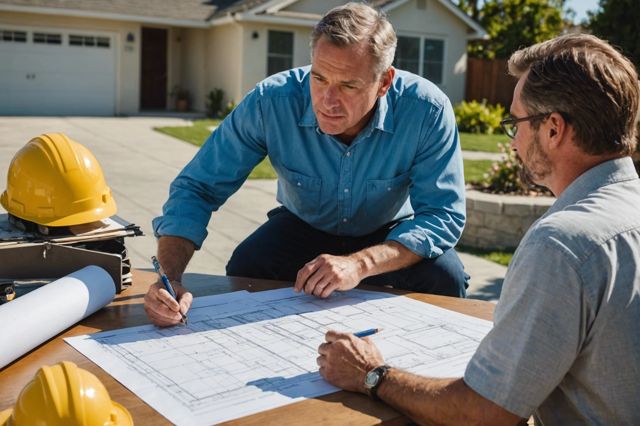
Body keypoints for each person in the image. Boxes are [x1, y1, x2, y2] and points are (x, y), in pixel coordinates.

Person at [317, 33, 640, 425]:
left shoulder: (563, 244)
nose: (514, 141)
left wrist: (371, 375)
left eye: (515, 123)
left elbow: (485, 415)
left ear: (554, 129)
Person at [144, 2, 468, 327]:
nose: (327, 101)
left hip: (389, 232)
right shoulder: (270, 103)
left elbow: (442, 215)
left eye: (348, 86)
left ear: (384, 82)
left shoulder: (427, 110)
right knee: (248, 264)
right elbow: (198, 187)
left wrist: (360, 264)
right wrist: (169, 278)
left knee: (446, 277)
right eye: (319, 78)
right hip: (303, 225)